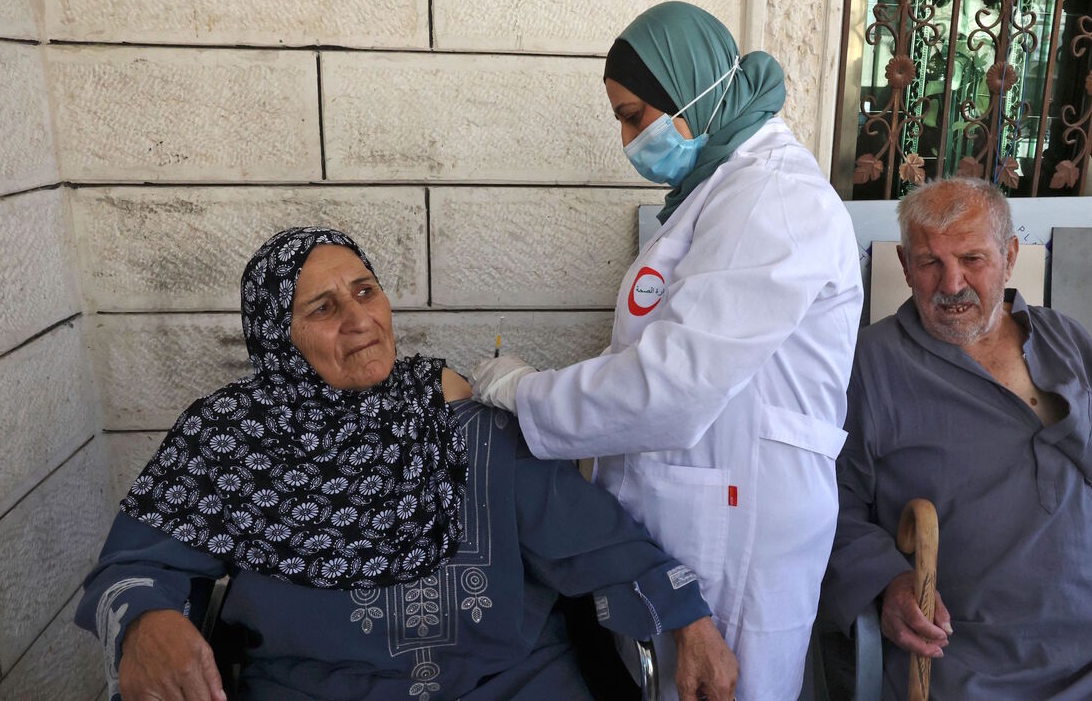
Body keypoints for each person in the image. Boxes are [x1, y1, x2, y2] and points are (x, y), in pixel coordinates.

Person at [75, 227, 737, 701]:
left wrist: (687, 615)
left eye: (366, 291)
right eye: (323, 308)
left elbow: (584, 529)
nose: (360, 318)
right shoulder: (228, 440)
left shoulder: (461, 421)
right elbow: (135, 567)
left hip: (511, 683)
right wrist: (145, 620)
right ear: (278, 338)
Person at [469, 1, 862, 701]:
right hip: (696, 507)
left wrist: (520, 391)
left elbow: (671, 390)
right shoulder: (716, 190)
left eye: (635, 113)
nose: (627, 139)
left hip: (738, 529)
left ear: (695, 90)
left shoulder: (773, 199)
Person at [822, 177, 1092, 700]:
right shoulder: (869, 366)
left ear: (1010, 255)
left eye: (972, 258)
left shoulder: (1067, 340)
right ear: (905, 267)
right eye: (930, 262)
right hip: (968, 667)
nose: (951, 284)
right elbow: (829, 504)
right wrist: (887, 582)